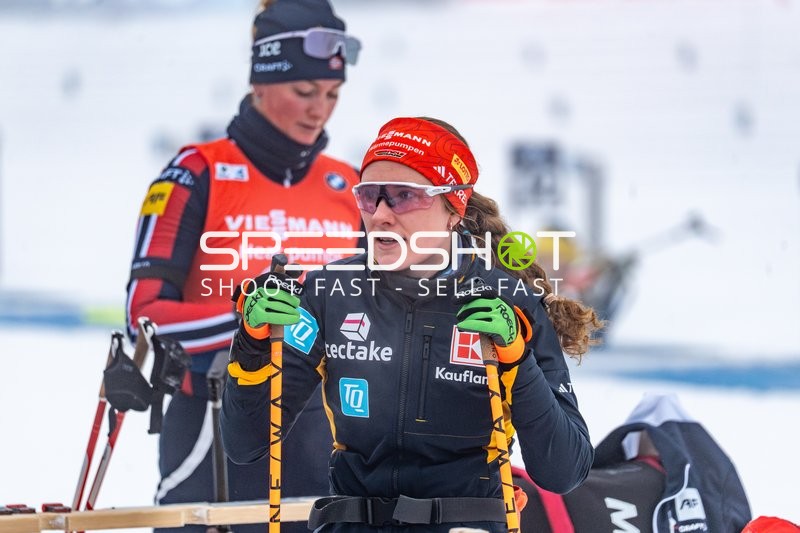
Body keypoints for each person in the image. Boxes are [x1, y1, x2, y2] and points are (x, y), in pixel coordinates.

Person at [221, 116, 604, 532]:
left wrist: (518, 360)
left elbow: (564, 469)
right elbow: (246, 443)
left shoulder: (509, 300)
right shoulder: (330, 291)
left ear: (453, 209)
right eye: (369, 197)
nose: (381, 215)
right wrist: (253, 344)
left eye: (404, 197)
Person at [125, 1, 363, 531]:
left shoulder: (350, 185)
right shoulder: (195, 173)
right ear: (259, 83)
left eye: (332, 94)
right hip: (213, 425)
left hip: (328, 430)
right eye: (304, 92)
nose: (319, 109)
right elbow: (142, 317)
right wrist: (252, 318)